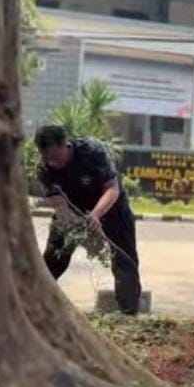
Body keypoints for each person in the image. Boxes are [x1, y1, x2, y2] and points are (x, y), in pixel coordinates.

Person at [34, 125, 142, 315]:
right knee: (54, 255)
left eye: (56, 157)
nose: (53, 162)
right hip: (74, 210)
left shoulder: (92, 152)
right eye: (48, 158)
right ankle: (37, 303)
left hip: (111, 207)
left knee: (124, 258)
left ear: (65, 145)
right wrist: (75, 223)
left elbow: (112, 189)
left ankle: (128, 312)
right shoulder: (44, 168)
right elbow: (59, 204)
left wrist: (95, 216)